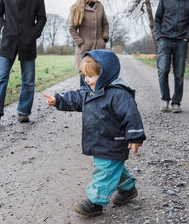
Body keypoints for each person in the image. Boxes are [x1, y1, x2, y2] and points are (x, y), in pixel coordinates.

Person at [44, 50, 146, 216]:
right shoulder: (88, 93)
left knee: (105, 170)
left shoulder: (118, 93)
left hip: (114, 142)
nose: (86, 80)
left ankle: (95, 202)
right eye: (84, 75)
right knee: (112, 167)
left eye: (90, 76)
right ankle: (128, 189)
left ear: (105, 74)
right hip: (99, 141)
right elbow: (74, 98)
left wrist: (135, 136)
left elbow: (131, 115)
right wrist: (58, 100)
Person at [154, 0, 189, 113]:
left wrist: (187, 38)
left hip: (181, 42)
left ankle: (176, 102)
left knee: (179, 73)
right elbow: (157, 19)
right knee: (163, 70)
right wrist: (159, 36)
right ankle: (165, 99)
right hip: (165, 40)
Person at [69, 0, 109, 87]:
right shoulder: (77, 8)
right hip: (84, 51)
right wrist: (81, 43)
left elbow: (105, 24)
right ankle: (84, 102)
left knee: (99, 81)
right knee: (85, 82)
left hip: (99, 51)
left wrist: (104, 38)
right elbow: (72, 29)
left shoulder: (100, 6)